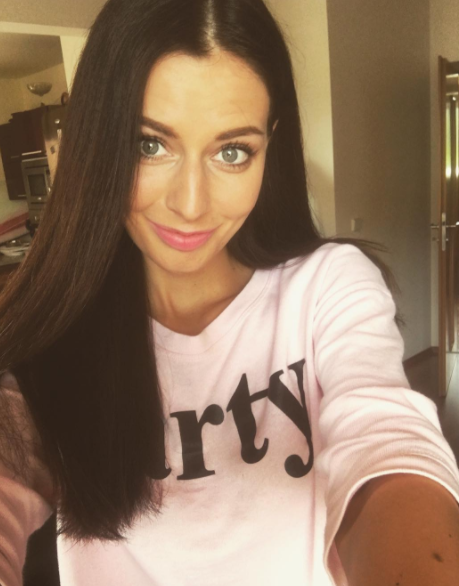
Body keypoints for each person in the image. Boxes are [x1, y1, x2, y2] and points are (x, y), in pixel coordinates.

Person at [0, 0, 459, 585]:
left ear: (270, 146)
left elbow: (387, 442)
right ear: (98, 140)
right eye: (149, 145)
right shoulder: (54, 340)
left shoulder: (326, 287)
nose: (191, 204)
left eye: (232, 151)